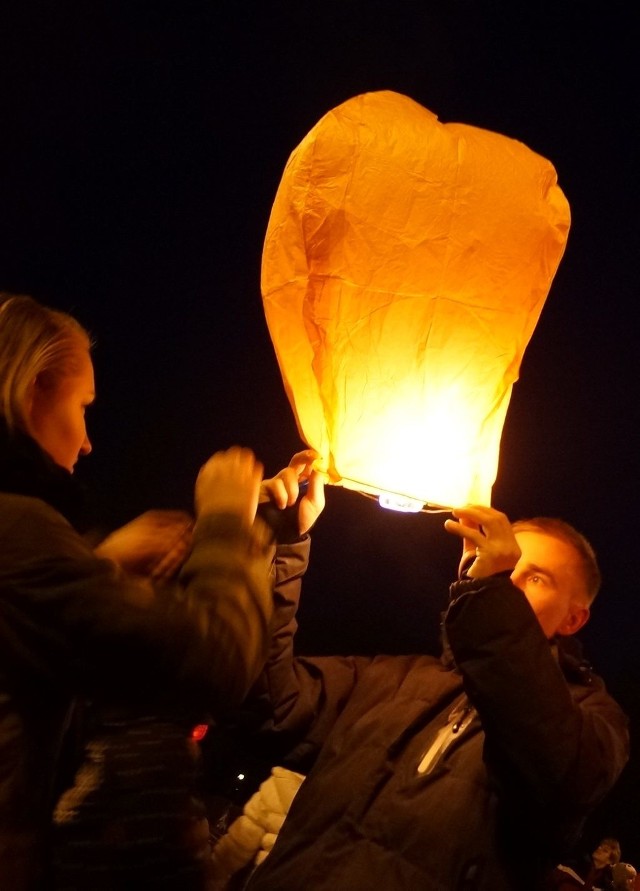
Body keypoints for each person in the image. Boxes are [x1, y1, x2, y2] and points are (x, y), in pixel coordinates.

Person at [222, 453, 629, 891]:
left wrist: (488, 597)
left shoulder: (595, 720)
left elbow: (554, 771)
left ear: (573, 620)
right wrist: (275, 548)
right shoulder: (396, 679)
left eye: (535, 578)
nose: (508, 580)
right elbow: (269, 700)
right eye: (506, 565)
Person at [0, 292, 275, 889]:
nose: (88, 442)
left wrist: (96, 565)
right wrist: (229, 521)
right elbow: (214, 660)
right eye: (83, 406)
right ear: (31, 394)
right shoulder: (18, 532)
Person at [546, 836, 621, 889]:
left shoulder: (604, 885)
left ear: (610, 861)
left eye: (605, 850)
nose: (599, 848)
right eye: (600, 846)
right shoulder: (573, 866)